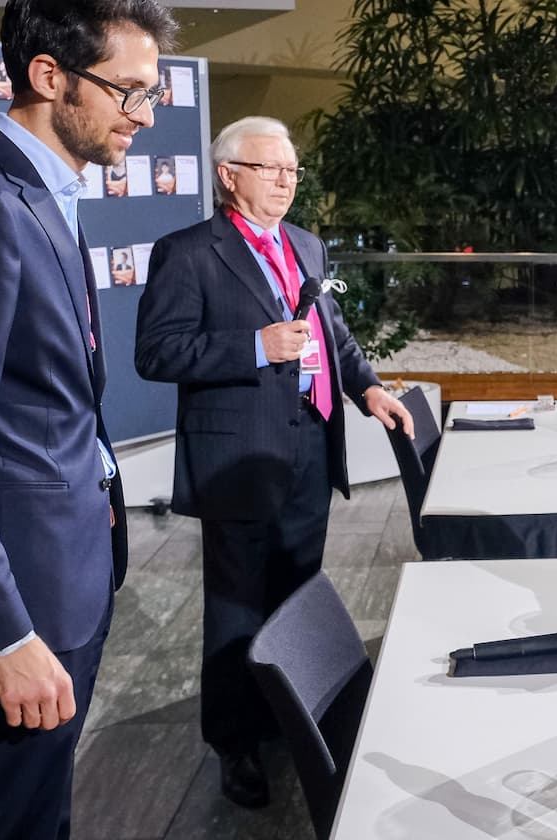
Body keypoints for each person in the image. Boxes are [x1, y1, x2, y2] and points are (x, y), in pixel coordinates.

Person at [0, 2, 176, 837]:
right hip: (17, 599)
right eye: (129, 93)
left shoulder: (40, 192)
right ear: (49, 76)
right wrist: (4, 634)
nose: (146, 117)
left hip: (62, 568)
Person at [135, 115, 414, 809]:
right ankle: (234, 744)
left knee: (296, 593)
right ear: (230, 176)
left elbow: (332, 333)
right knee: (236, 609)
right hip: (238, 459)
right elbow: (156, 352)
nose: (287, 181)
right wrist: (255, 346)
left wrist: (369, 388)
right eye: (271, 169)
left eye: (293, 170)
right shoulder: (189, 252)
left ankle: (285, 718)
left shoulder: (307, 245)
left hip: (310, 447)